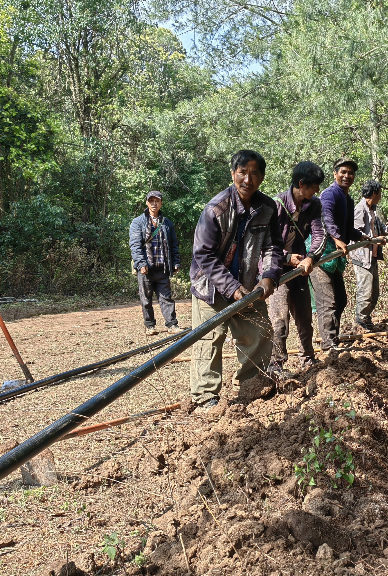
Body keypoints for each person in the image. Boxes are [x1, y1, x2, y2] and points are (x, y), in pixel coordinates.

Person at [188, 150, 283, 410]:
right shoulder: (216, 209)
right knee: (209, 340)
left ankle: (253, 386)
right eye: (242, 172)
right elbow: (203, 255)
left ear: (262, 177)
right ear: (233, 174)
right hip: (211, 286)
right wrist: (231, 288)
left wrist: (269, 276)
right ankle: (206, 398)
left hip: (250, 285)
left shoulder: (268, 208)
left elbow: (274, 246)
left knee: (259, 332)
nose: (248, 179)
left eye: (254, 173)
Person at [267, 161, 326, 378]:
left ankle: (307, 359)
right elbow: (267, 246)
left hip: (301, 269)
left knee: (304, 317)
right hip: (278, 272)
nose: (317, 190)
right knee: (279, 319)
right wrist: (286, 257)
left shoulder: (314, 205)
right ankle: (277, 364)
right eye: (314, 186)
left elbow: (319, 234)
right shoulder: (276, 206)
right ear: (301, 184)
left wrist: (310, 257)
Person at [311, 157, 365, 351]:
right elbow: (326, 218)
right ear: (335, 174)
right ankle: (329, 345)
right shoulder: (329, 194)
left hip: (335, 256)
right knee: (328, 301)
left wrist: (362, 237)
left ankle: (333, 337)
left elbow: (348, 229)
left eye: (350, 173)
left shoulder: (348, 199)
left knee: (341, 300)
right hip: (320, 254)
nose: (347, 176)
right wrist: (335, 237)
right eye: (343, 172)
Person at [129, 191, 181, 336]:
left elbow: (173, 244)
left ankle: (172, 324)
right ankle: (150, 326)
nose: (154, 203)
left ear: (161, 203)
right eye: (151, 201)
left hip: (163, 267)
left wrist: (175, 262)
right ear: (147, 203)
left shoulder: (167, 223)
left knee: (166, 298)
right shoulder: (138, 222)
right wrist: (141, 263)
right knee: (146, 299)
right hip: (146, 269)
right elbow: (135, 245)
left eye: (157, 201)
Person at [351, 180, 386, 331]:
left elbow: (380, 227)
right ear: (374, 193)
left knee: (374, 291)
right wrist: (375, 239)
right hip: (362, 257)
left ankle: (366, 318)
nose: (380, 196)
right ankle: (361, 319)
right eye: (379, 193)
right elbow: (357, 234)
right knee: (365, 290)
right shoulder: (360, 209)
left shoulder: (373, 210)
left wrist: (387, 233)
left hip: (372, 255)